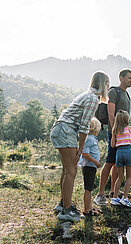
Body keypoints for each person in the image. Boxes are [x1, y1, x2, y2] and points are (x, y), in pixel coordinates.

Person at [51, 71, 110, 222]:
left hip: (61, 128)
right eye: (108, 84)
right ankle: (67, 210)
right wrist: (81, 147)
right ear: (103, 84)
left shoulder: (87, 95)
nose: (109, 87)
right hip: (66, 130)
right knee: (71, 170)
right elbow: (84, 126)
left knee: (67, 169)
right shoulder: (92, 99)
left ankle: (63, 204)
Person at [94, 68, 131, 205]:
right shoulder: (114, 91)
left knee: (118, 162)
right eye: (129, 78)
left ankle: (113, 192)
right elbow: (111, 114)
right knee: (110, 161)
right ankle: (100, 194)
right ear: (121, 78)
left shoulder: (126, 94)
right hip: (114, 132)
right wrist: (113, 133)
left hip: (122, 134)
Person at [77, 118, 103, 216]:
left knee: (90, 188)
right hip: (89, 166)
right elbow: (85, 153)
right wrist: (95, 162)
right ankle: (87, 210)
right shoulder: (89, 139)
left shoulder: (92, 139)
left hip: (91, 166)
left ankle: (90, 207)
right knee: (88, 189)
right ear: (96, 128)